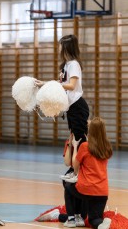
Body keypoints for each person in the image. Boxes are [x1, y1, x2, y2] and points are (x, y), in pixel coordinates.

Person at [35, 34, 90, 182]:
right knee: (74, 140)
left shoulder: (74, 64)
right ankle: (74, 169)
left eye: (61, 45)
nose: (59, 48)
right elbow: (62, 86)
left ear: (67, 47)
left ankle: (80, 172)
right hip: (71, 108)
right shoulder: (66, 65)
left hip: (78, 106)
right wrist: (46, 84)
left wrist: (50, 84)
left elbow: (71, 86)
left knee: (79, 140)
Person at [63, 117, 113, 229]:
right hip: (102, 192)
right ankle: (101, 224)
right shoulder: (107, 147)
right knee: (94, 220)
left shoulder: (85, 146)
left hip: (87, 189)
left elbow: (75, 166)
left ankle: (71, 218)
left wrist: (76, 147)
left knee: (69, 187)